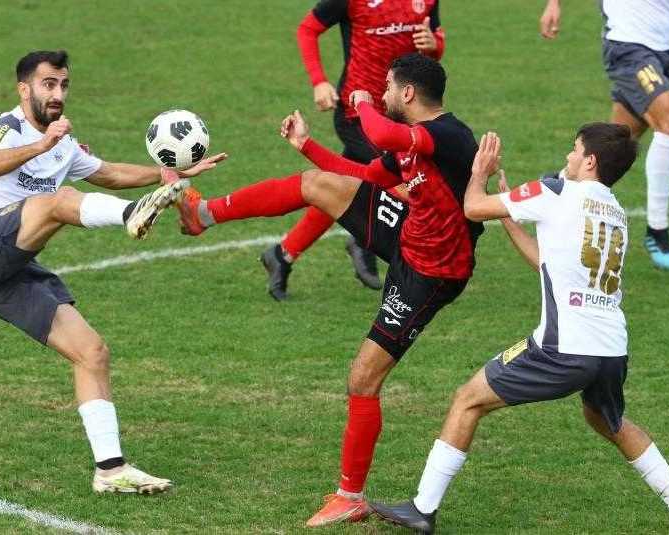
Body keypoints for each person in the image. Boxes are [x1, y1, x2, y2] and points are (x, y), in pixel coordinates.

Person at [172, 54, 482, 526]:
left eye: (387, 87)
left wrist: (360, 101)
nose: (381, 94)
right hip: (410, 233)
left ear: (408, 94)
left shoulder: (447, 135)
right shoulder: (410, 139)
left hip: (431, 272)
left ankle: (350, 496)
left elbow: (382, 133)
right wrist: (306, 145)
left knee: (363, 378)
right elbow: (368, 175)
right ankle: (203, 215)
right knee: (318, 183)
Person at [369, 124, 669, 533]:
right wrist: (512, 217)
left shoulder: (555, 192)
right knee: (609, 421)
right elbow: (548, 263)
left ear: (590, 161)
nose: (568, 157)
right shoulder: (615, 212)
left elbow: (473, 208)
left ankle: (422, 508)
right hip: (610, 349)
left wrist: (479, 172)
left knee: (467, 400)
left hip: (562, 348)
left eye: (575, 150)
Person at [0, 50, 222, 493]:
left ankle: (111, 470)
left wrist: (170, 172)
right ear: (24, 89)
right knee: (59, 200)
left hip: (9, 266)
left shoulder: (63, 143)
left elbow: (109, 173)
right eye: (48, 84)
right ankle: (133, 214)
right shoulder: (9, 129)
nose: (58, 94)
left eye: (63, 85)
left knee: (91, 351)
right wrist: (41, 145)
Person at [259, 0, 446, 300]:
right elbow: (308, 29)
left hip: (398, 115)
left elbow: (433, 50)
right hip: (357, 112)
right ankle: (377, 248)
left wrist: (434, 46)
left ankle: (282, 255)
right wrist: (319, 82)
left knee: (337, 185)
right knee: (402, 180)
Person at [540, 0, 669, 270]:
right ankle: (657, 230)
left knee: (614, 145)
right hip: (628, 45)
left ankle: (558, 184)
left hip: (664, 48)